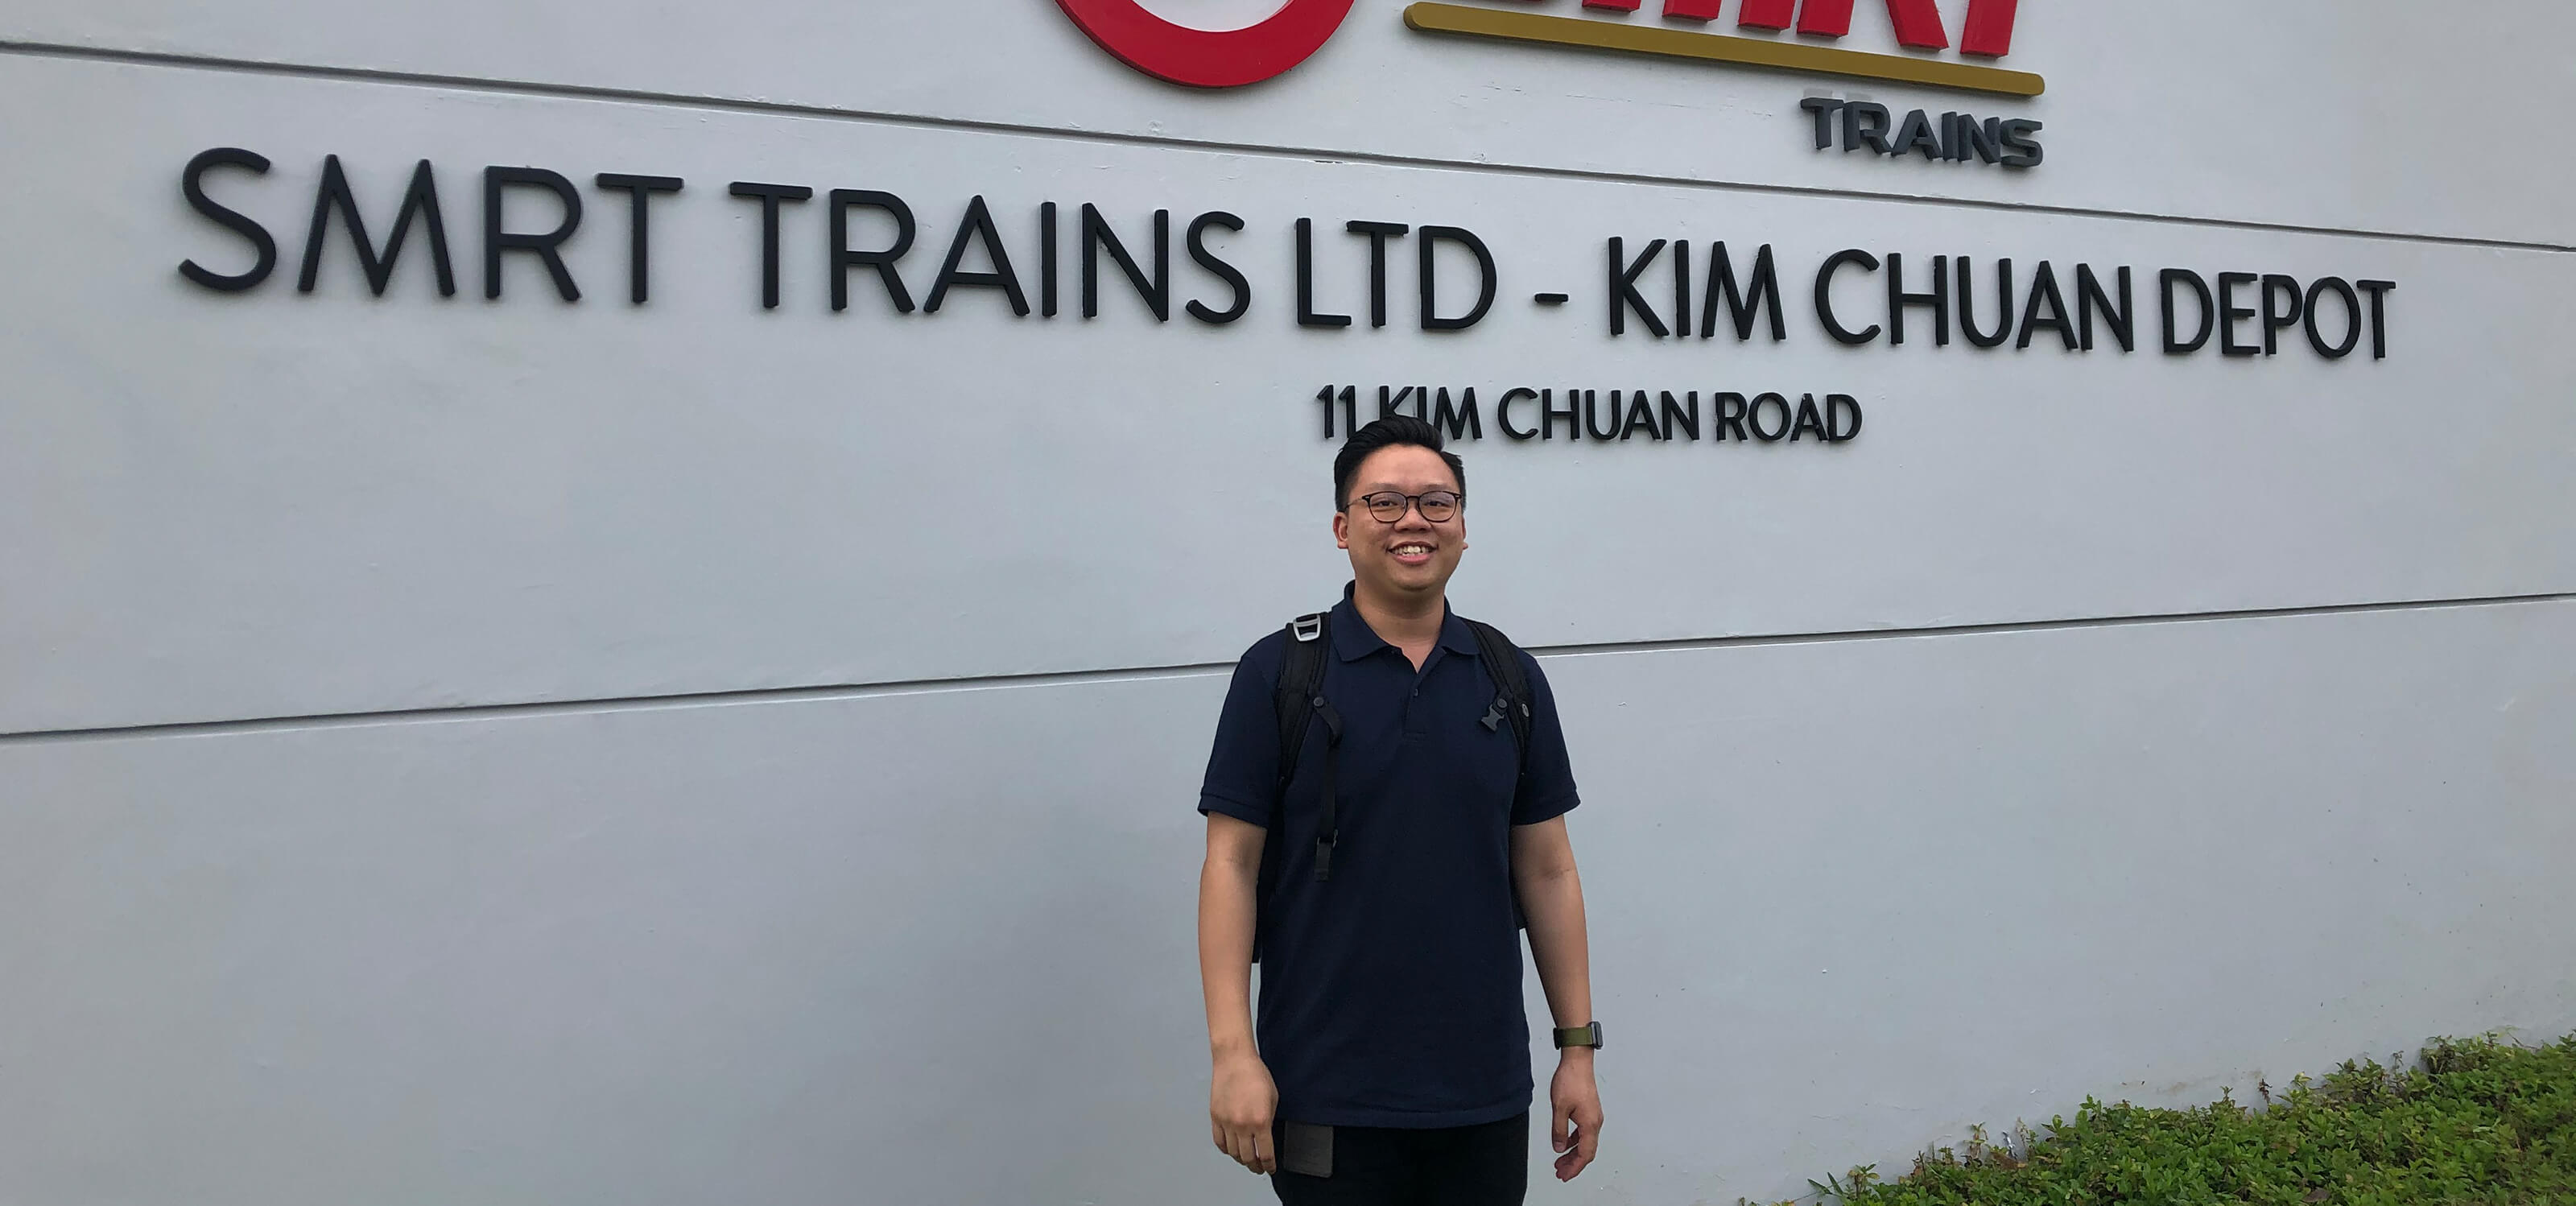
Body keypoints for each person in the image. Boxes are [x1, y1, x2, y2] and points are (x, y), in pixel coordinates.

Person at [1195, 415, 1603, 1204]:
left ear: (1461, 527)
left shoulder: (1507, 676)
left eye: (1435, 502)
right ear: (1343, 527)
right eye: (1384, 502)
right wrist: (1231, 1053)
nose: (1413, 519)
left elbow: (1547, 870)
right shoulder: (1279, 672)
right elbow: (1229, 865)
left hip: (1480, 1091)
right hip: (1325, 1090)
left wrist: (1576, 1049)